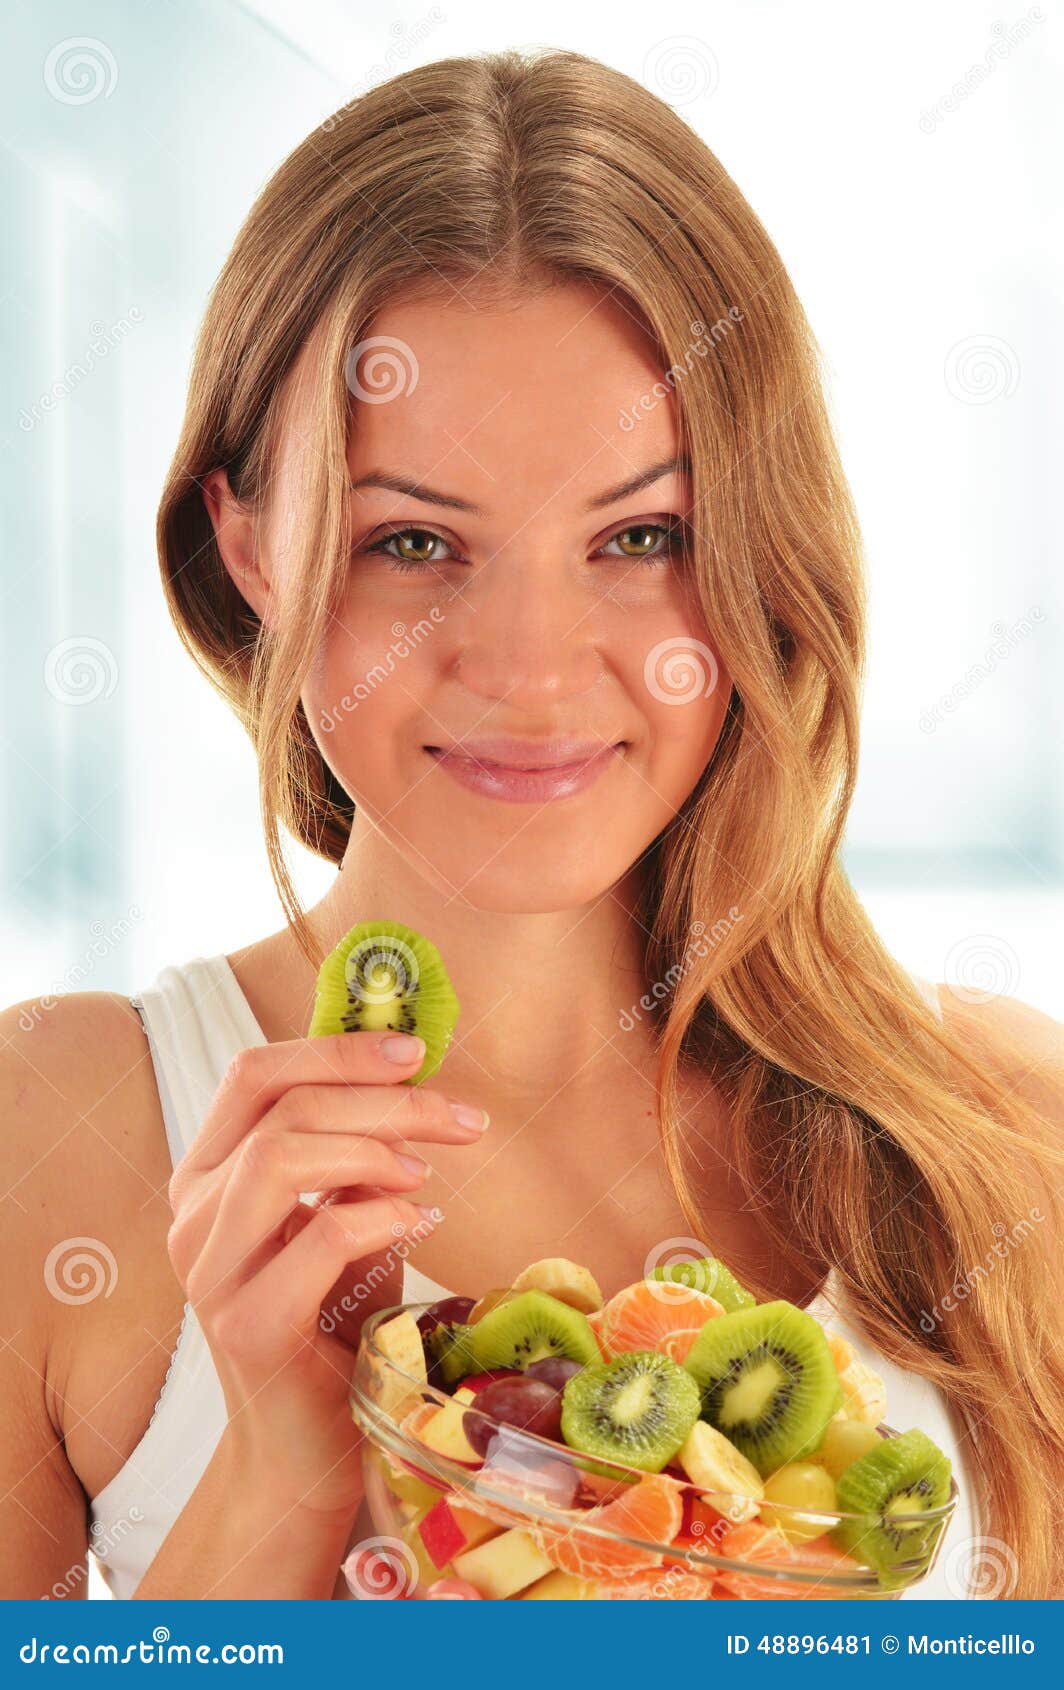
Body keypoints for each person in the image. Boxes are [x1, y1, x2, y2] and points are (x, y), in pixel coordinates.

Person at [2, 47, 1061, 1603]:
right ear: (250, 546)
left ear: (761, 552)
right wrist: (286, 1471)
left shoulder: (1002, 1146)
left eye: (640, 535)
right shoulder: (53, 1137)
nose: (532, 670)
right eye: (414, 539)